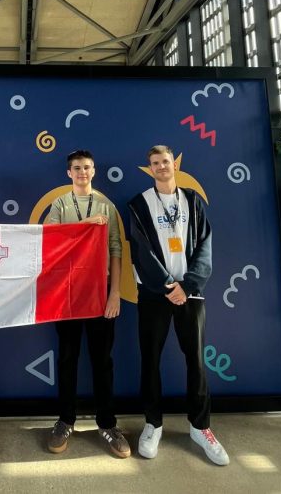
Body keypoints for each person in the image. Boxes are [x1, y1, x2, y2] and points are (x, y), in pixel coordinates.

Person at [127, 145, 228, 466]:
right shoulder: (139, 204)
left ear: (174, 165)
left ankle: (200, 427)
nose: (161, 167)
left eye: (165, 161)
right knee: (150, 360)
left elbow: (205, 245)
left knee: (196, 361)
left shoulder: (192, 201)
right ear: (149, 168)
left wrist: (188, 285)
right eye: (155, 163)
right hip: (154, 294)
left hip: (190, 294)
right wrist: (167, 286)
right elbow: (140, 251)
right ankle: (152, 424)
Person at [44, 149, 130, 458]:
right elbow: (50, 239)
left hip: (100, 291)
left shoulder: (107, 205)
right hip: (67, 291)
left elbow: (116, 249)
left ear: (94, 171)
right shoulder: (60, 204)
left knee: (102, 359)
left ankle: (107, 423)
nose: (82, 172)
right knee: (68, 357)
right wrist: (86, 225)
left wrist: (115, 292)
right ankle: (65, 420)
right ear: (69, 173)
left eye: (87, 167)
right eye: (77, 168)